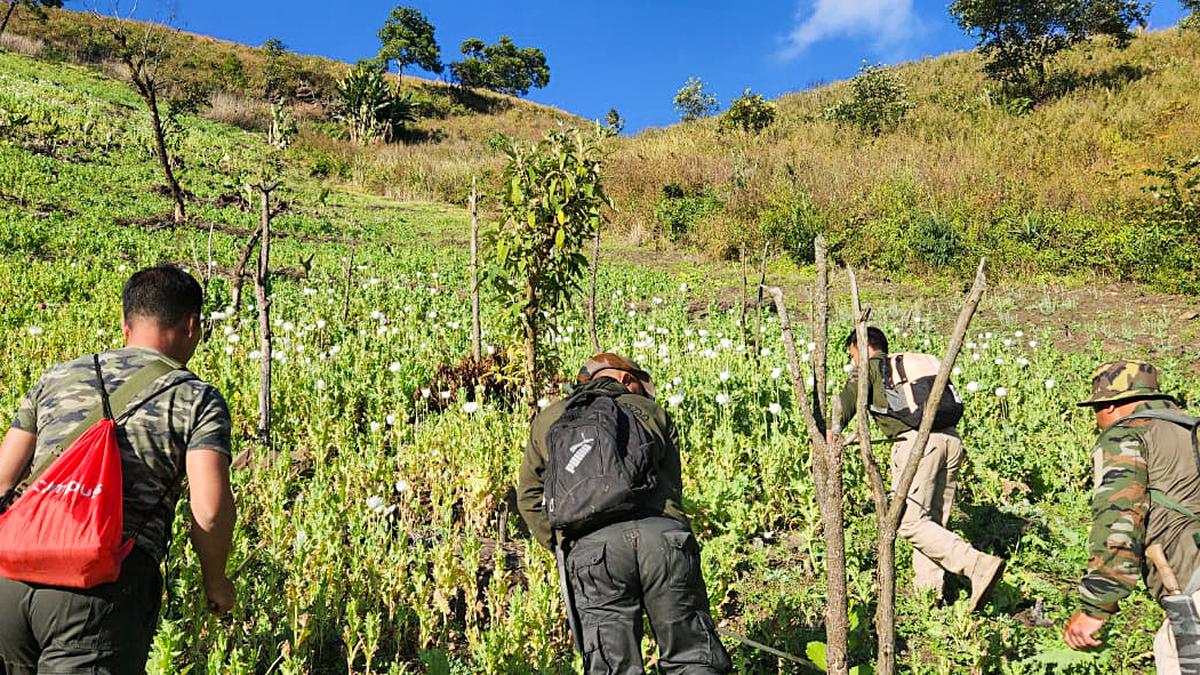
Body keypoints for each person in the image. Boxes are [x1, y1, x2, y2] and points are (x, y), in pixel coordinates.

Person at [0, 265, 236, 674]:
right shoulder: (197, 398)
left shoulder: (57, 376)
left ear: (125, 325)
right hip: (99, 595)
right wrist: (215, 581)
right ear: (192, 325)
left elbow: (3, 479)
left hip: (12, 577)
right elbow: (211, 511)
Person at [517, 353, 731, 674]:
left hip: (593, 552)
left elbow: (530, 496)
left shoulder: (550, 419)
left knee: (613, 665)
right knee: (692, 656)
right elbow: (672, 487)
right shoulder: (650, 411)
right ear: (626, 380)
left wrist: (564, 545)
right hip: (662, 541)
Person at [836, 326, 1005, 611]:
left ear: (861, 347)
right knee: (932, 523)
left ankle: (977, 565)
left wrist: (831, 430)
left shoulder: (873, 366)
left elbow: (846, 402)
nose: (853, 361)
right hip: (951, 439)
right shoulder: (908, 367)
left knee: (908, 521)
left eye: (853, 354)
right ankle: (929, 597)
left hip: (918, 444)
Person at [1063, 361, 1200, 674]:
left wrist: (1097, 606)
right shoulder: (1191, 427)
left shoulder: (1125, 437)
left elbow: (1119, 520)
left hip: (1191, 586)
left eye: (1095, 409)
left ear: (1109, 405)